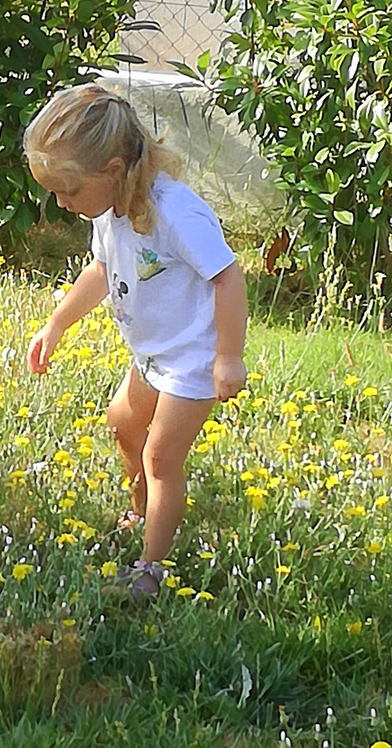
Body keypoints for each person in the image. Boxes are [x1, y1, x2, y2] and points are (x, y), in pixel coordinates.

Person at [24, 84, 248, 598]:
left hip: (192, 361)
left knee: (161, 457)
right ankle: (142, 511)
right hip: (151, 356)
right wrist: (58, 322)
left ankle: (151, 569)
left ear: (112, 170)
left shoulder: (175, 212)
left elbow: (228, 278)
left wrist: (227, 358)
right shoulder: (108, 210)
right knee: (124, 424)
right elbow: (101, 271)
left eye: (68, 191)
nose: (61, 204)